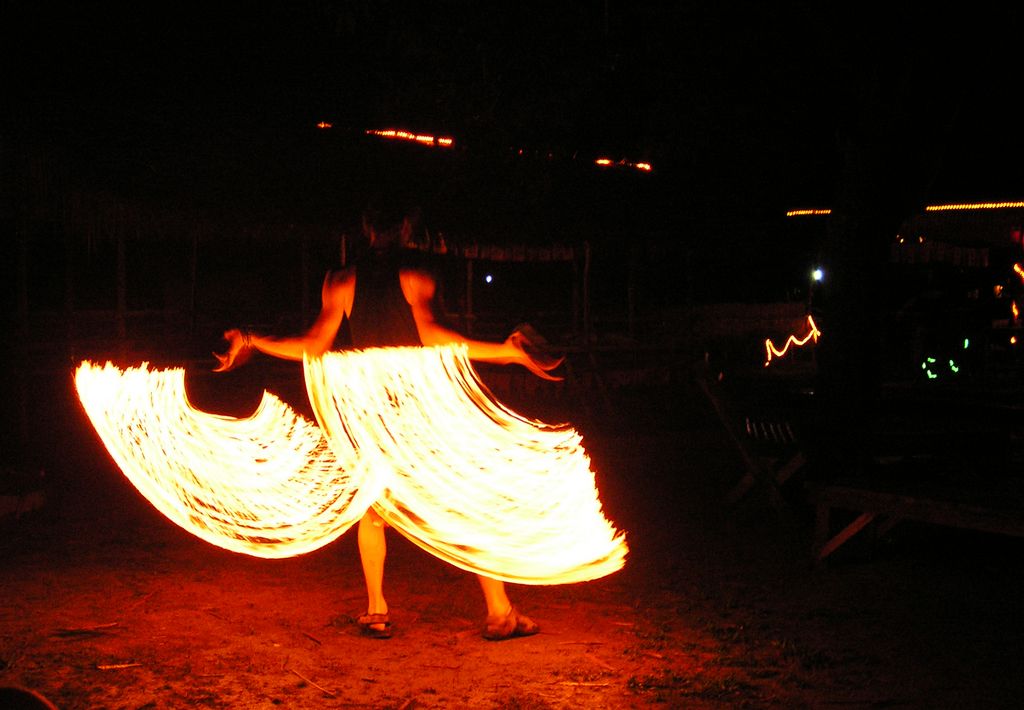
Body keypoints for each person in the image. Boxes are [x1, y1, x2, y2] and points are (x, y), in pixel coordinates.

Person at [213, 207, 562, 640]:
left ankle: (377, 610)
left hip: (372, 409)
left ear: (365, 227)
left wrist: (253, 339)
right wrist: (505, 352)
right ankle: (498, 611)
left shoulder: (340, 281)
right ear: (408, 228)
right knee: (462, 500)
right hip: (420, 405)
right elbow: (435, 336)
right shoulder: (418, 273)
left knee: (375, 509)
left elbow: (313, 345)